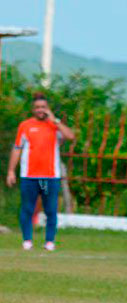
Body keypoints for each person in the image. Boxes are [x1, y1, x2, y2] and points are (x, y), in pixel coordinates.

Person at [6, 93, 75, 251]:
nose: (40, 110)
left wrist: (55, 119)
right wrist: (11, 171)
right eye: (37, 107)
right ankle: (27, 241)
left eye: (43, 107)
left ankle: (49, 242)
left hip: (50, 177)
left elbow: (70, 136)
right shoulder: (25, 126)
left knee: (51, 209)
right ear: (33, 109)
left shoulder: (54, 126)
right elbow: (17, 149)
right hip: (29, 176)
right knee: (27, 209)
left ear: (47, 108)